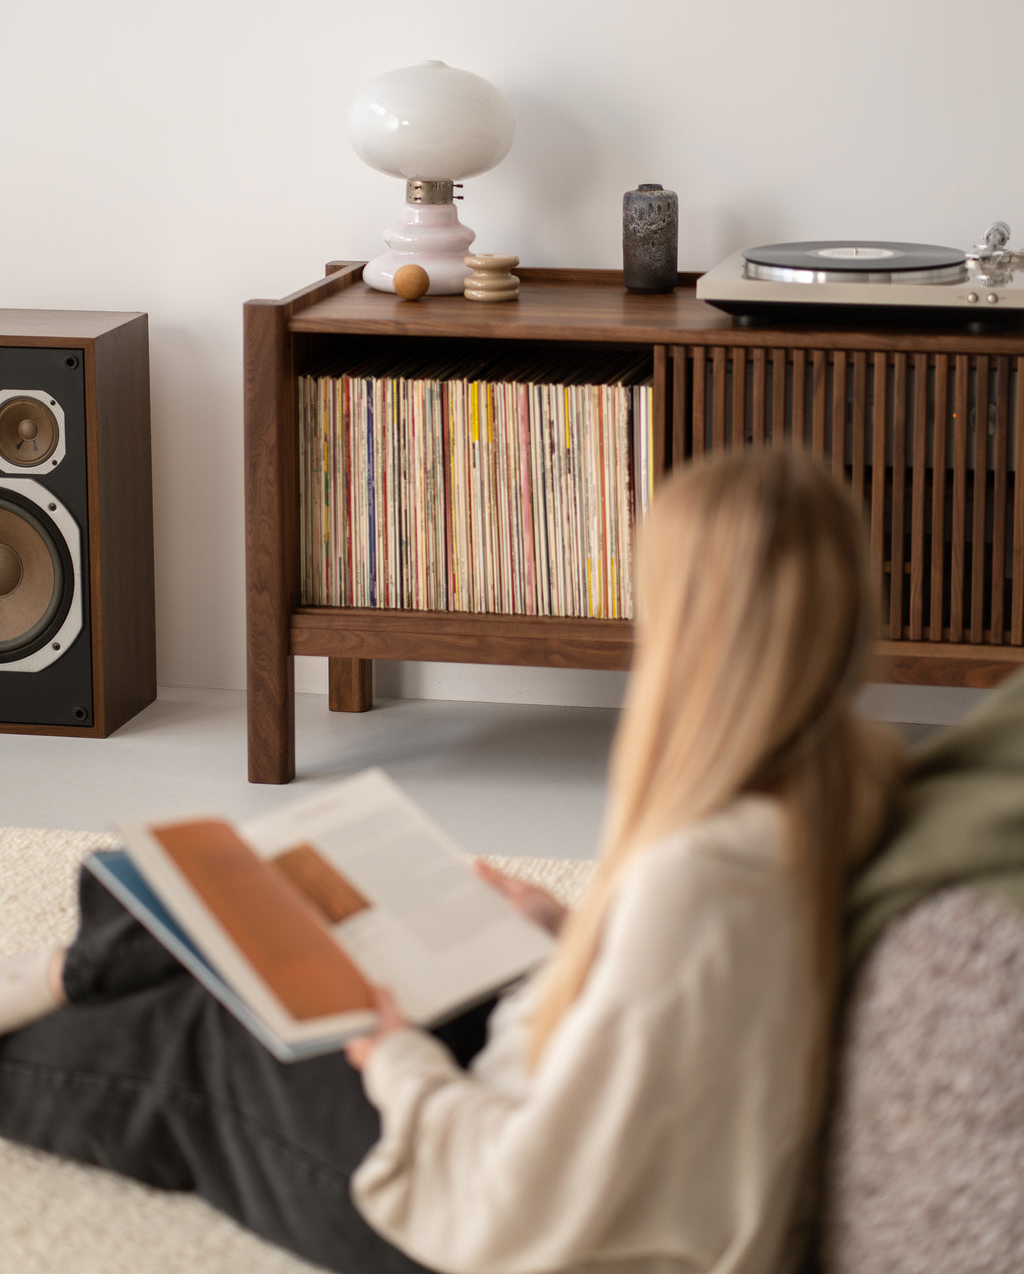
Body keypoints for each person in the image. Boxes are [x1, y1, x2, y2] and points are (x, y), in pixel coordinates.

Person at [0, 448, 905, 1274]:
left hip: (456, 1208)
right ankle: (97, 954)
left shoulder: (699, 877)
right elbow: (688, 1022)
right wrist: (574, 940)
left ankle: (67, 973)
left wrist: (395, 1059)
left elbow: (523, 1201)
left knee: (202, 1020)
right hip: (523, 1083)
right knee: (273, 920)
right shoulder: (843, 789)